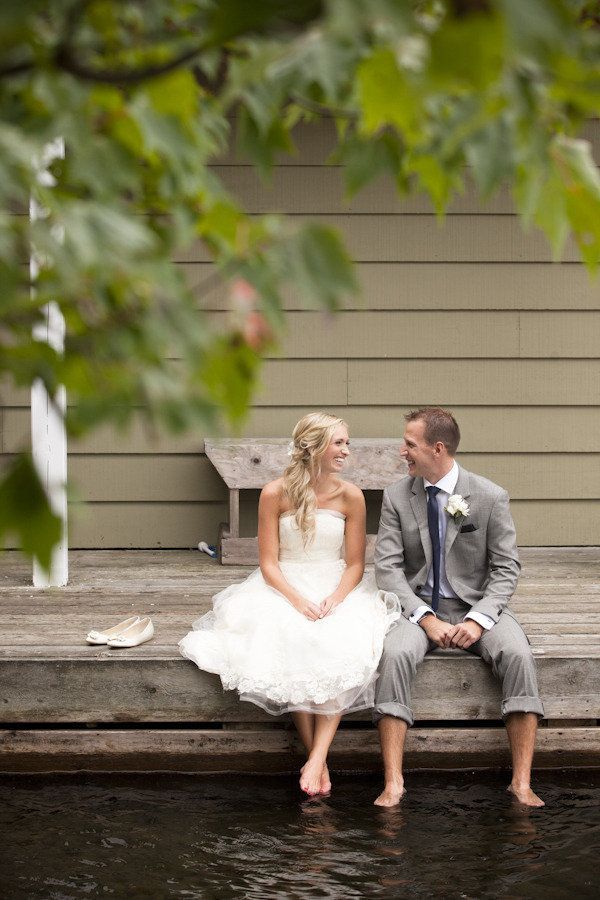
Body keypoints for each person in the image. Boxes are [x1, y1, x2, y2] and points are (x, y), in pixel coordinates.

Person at [179, 412, 400, 797]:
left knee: (336, 641)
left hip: (337, 585)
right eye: (339, 442)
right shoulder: (274, 493)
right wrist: (296, 600)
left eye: (347, 442)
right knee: (292, 637)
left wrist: (335, 598)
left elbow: (355, 564)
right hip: (285, 585)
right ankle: (319, 758)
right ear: (313, 446)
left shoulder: (351, 496)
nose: (346, 450)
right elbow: (268, 564)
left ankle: (316, 758)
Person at [373, 407, 545, 808]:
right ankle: (394, 782)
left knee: (518, 654)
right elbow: (388, 569)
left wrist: (479, 619)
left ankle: (521, 782)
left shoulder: (489, 495)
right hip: (416, 608)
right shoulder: (398, 496)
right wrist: (425, 619)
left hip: (477, 605)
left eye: (410, 444)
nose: (403, 451)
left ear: (438, 448)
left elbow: (506, 569)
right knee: (395, 653)